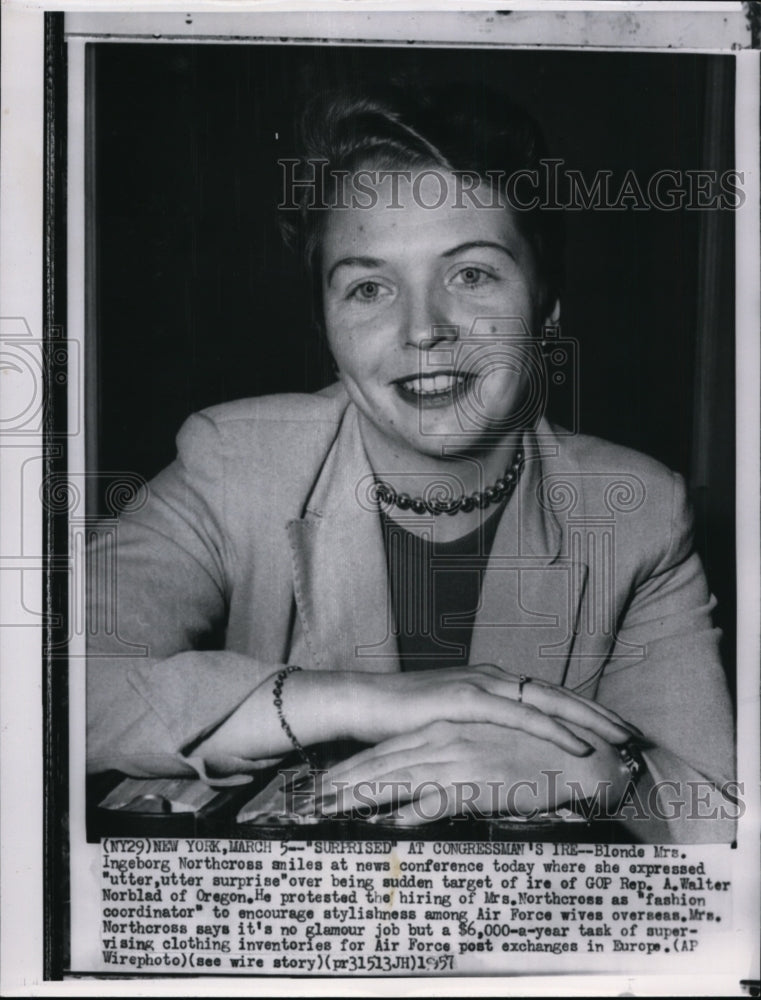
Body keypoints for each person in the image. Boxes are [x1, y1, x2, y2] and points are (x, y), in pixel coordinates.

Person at [87, 83, 735, 842]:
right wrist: (361, 699)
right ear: (325, 323)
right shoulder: (235, 462)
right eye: (367, 287)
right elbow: (47, 684)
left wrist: (607, 776)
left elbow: (717, 813)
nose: (422, 329)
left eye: (471, 275)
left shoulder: (635, 511)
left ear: (548, 303)